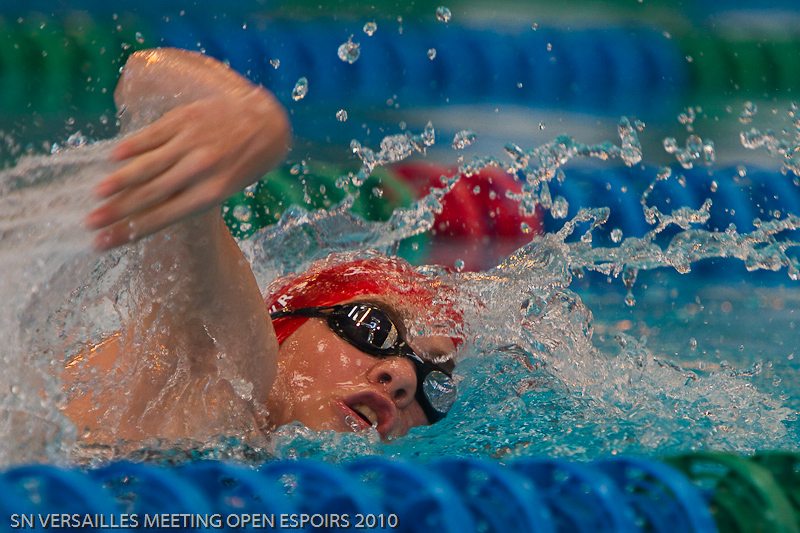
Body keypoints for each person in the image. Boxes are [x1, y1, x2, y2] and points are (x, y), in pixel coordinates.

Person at [62, 48, 461, 447]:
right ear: (293, 319)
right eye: (373, 327)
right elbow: (142, 77)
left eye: (434, 384)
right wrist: (252, 118)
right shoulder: (230, 365)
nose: (403, 379)